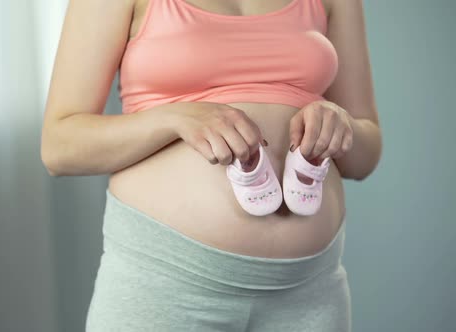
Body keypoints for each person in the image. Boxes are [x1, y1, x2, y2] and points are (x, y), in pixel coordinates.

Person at [41, 0, 382, 331]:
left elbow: (364, 159)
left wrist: (342, 126)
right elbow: (60, 147)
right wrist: (174, 118)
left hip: (309, 294)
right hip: (165, 285)